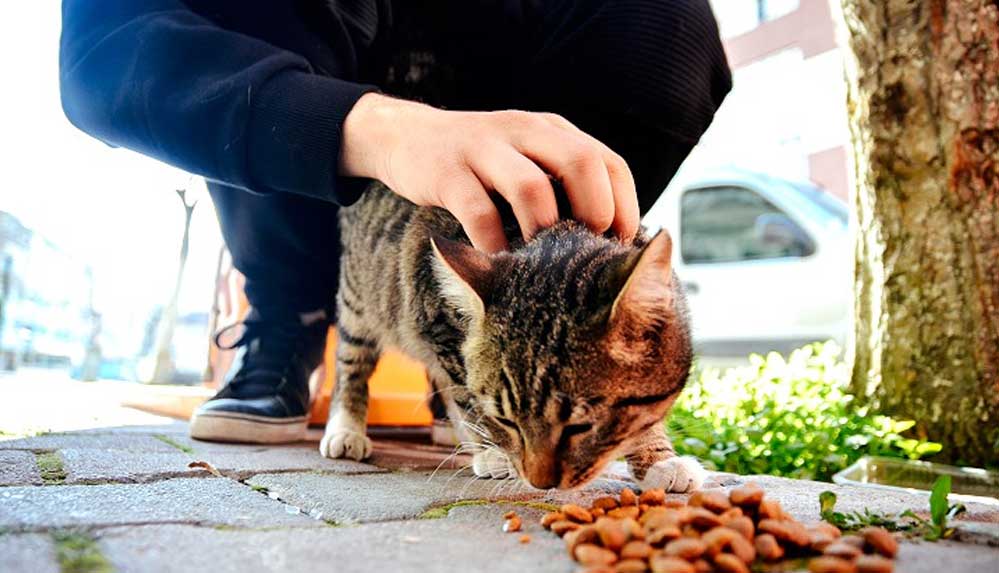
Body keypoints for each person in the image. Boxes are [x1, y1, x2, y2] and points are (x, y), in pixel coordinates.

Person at [60, 0, 731, 443]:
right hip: (308, 84)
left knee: (667, 25)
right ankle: (286, 313)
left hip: (480, 63)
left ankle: (510, 354)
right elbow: (103, 53)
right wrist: (374, 128)